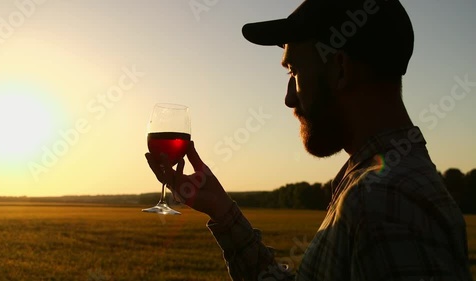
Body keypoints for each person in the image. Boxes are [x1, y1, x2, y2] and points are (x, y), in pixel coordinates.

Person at [146, 0, 473, 280]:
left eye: (294, 72)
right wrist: (220, 208)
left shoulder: (386, 204)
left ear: (340, 69)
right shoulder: (374, 185)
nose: (289, 99)